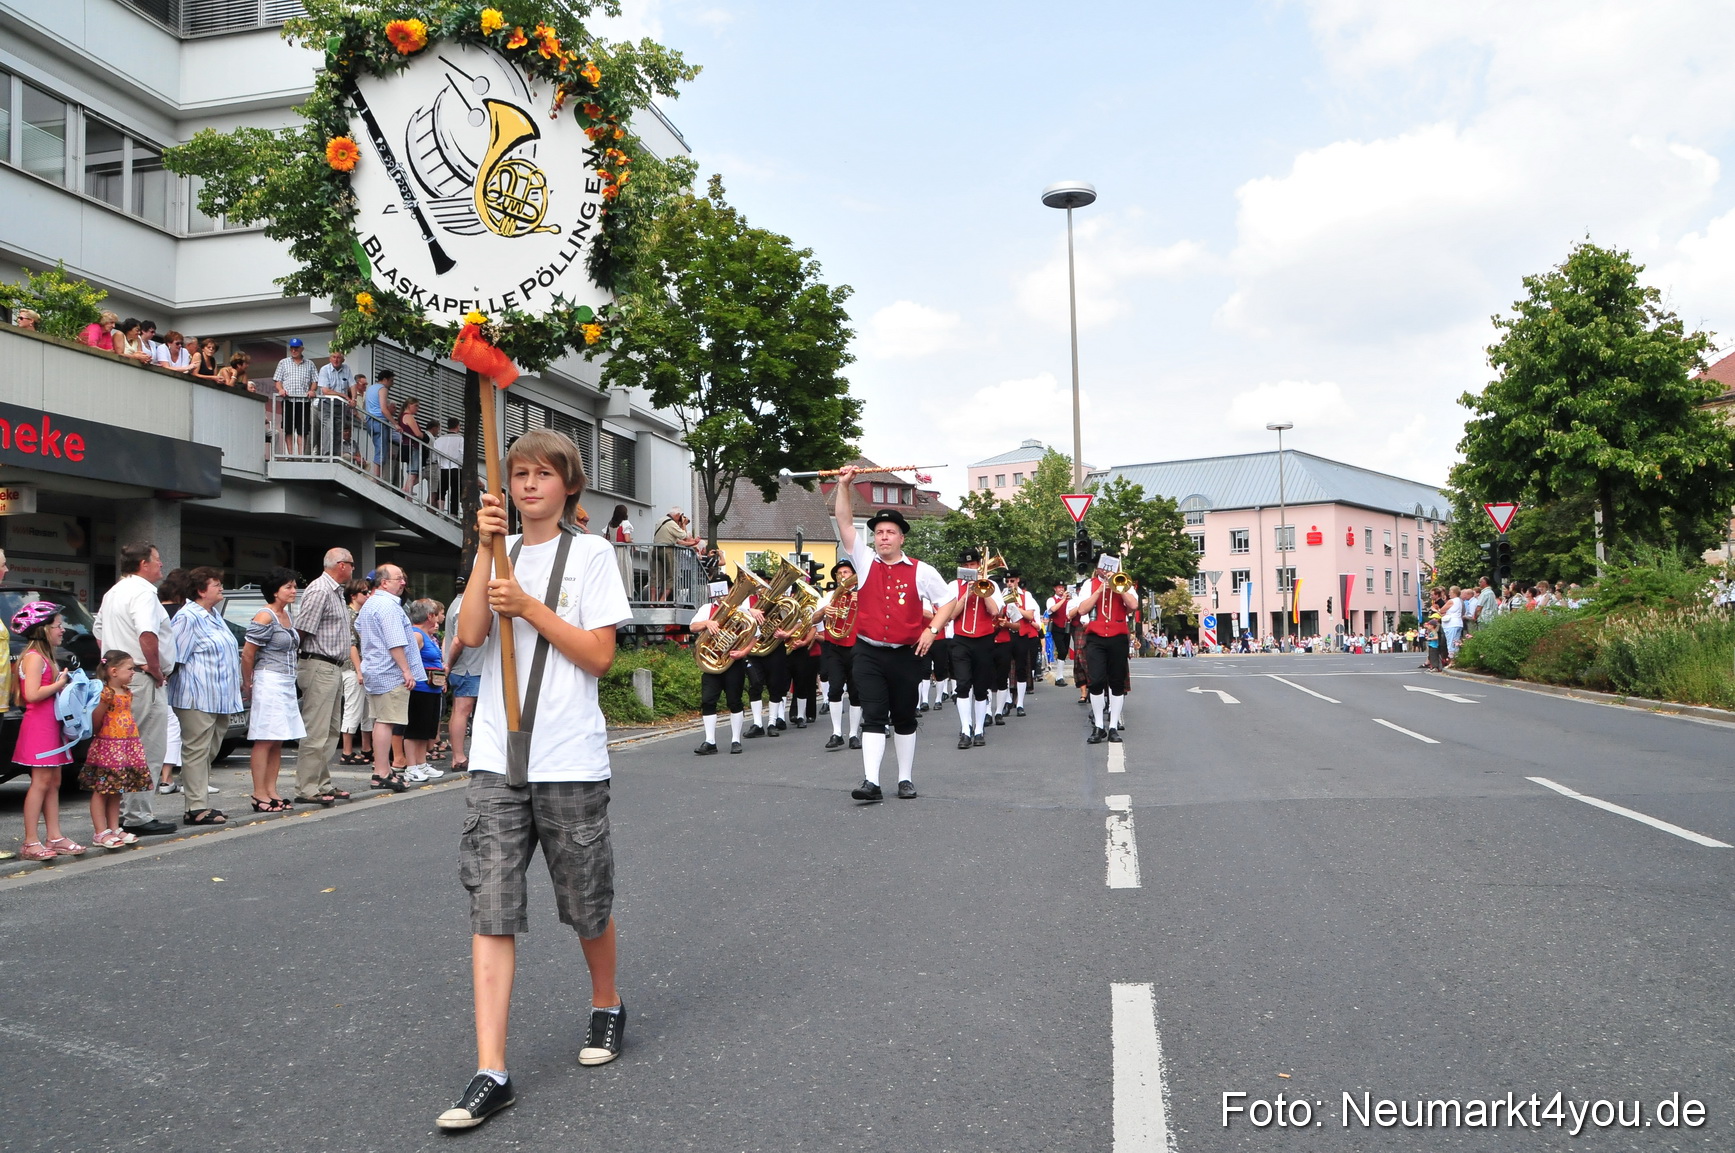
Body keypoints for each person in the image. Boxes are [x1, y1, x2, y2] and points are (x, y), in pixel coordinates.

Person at [441, 427, 634, 1129]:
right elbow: (466, 632)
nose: (528, 485)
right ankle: (491, 1068)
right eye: (518, 473)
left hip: (568, 757)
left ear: (568, 485)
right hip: (497, 757)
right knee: (491, 908)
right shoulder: (501, 551)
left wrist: (529, 607)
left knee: (586, 899)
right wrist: (485, 554)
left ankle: (607, 1002)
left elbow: (599, 656)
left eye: (542, 474)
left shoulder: (592, 556)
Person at [831, 466, 957, 801]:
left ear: (901, 537)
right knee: (872, 714)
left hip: (906, 654)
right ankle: (871, 781)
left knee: (903, 715)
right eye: (879, 532)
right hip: (868, 651)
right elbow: (844, 521)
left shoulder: (921, 570)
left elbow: (948, 601)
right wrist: (844, 485)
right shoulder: (864, 560)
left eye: (890, 532)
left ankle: (904, 778)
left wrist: (932, 630)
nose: (883, 536)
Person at [97, 542, 178, 838]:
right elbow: (147, 633)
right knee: (148, 748)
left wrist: (114, 666)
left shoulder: (113, 592)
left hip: (120, 677)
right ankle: (138, 814)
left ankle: (120, 810)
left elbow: (98, 632)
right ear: (143, 563)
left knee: (123, 746)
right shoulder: (144, 592)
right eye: (157, 560)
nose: (161, 565)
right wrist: (154, 669)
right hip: (143, 677)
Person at [167, 567, 243, 825]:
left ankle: (198, 800)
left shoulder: (213, 615)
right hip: (196, 696)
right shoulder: (187, 617)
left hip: (220, 697)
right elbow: (175, 657)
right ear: (201, 590)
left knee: (210, 750)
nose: (221, 587)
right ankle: (195, 808)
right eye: (216, 584)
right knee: (196, 751)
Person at [13, 604, 81, 860]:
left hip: (50, 726)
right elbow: (32, 694)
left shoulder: (46, 657)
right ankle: (30, 841)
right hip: (39, 727)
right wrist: (59, 684)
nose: (62, 630)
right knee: (40, 783)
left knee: (54, 782)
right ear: (43, 630)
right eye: (58, 626)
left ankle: (55, 836)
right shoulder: (33, 658)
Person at [291, 547, 357, 805]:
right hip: (319, 664)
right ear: (341, 565)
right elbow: (303, 630)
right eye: (351, 564)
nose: (353, 568)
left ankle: (322, 782)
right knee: (315, 731)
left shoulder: (336, 592)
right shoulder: (320, 589)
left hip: (333, 666)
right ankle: (306, 788)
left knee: (330, 731)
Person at [241, 567, 305, 813]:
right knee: (265, 737)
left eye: (293, 586)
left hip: (287, 681)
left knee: (278, 739)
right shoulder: (265, 616)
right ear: (274, 591)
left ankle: (272, 789)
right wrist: (248, 682)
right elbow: (248, 653)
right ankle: (259, 793)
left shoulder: (288, 616)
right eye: (287, 587)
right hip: (269, 679)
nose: (293, 591)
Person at [356, 564, 423, 794]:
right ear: (384, 583)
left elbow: (359, 628)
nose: (403, 582)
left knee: (380, 720)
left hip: (375, 669)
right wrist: (406, 670)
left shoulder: (370, 604)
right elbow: (395, 641)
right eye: (398, 578)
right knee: (386, 721)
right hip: (389, 671)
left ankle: (381, 769)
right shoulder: (388, 606)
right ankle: (382, 772)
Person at [81, 651, 152, 850]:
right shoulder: (106, 693)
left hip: (125, 744)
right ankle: (100, 831)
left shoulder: (126, 691)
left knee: (117, 788)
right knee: (102, 789)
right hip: (109, 745)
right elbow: (97, 718)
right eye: (129, 669)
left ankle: (114, 827)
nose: (133, 672)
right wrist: (100, 736)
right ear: (113, 671)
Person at [1070, 556, 1138, 744]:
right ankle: (1099, 726)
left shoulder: (1124, 582)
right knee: (1097, 680)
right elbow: (1082, 610)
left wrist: (1120, 588)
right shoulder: (1088, 585)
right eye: (1102, 567)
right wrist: (1100, 590)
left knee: (1117, 682)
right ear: (1098, 568)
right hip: (1096, 638)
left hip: (1117, 637)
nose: (1106, 570)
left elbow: (1133, 606)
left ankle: (1114, 727)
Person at [946, 547, 1003, 750]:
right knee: (962, 685)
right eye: (966, 565)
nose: (970, 568)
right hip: (961, 639)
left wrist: (982, 590)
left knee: (981, 687)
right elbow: (951, 615)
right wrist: (966, 594)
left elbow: (995, 611)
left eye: (973, 565)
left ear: (979, 566)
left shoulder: (991, 584)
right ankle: (965, 729)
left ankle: (979, 729)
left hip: (984, 640)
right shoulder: (953, 586)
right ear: (962, 567)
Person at [690, 580, 754, 754]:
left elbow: (754, 634)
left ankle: (735, 740)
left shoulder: (741, 610)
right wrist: (707, 623)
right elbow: (693, 626)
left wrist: (743, 652)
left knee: (734, 701)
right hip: (711, 662)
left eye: (726, 590)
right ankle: (710, 741)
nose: (721, 595)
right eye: (718, 591)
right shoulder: (706, 608)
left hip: (733, 661)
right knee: (708, 701)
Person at [817, 559, 862, 750]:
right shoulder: (829, 597)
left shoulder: (863, 594)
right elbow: (813, 620)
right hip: (834, 646)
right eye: (840, 573)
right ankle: (836, 732)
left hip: (856, 646)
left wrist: (862, 601)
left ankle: (853, 734)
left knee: (855, 693)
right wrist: (823, 611)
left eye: (846, 572)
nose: (843, 576)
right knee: (835, 689)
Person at [443, 582, 486, 772]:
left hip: (468, 666)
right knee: (463, 709)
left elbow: (449, 638)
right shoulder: (465, 607)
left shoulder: (458, 603)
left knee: (460, 710)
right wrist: (448, 665)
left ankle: (461, 755)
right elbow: (458, 639)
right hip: (468, 667)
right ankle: (459, 757)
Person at [403, 598, 446, 782]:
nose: (437, 619)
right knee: (415, 729)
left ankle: (421, 763)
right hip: (420, 688)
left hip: (432, 688)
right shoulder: (417, 635)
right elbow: (408, 658)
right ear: (429, 616)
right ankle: (411, 766)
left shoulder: (426, 635)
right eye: (435, 615)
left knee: (425, 729)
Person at [340, 579, 374, 765]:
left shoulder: (360, 614)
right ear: (353, 596)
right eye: (364, 593)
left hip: (361, 668)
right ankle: (346, 751)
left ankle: (366, 748)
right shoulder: (350, 615)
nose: (368, 595)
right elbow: (351, 645)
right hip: (353, 669)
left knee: (367, 710)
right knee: (353, 708)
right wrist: (359, 670)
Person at [1002, 571, 1041, 716]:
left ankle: (1020, 703)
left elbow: (1030, 615)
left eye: (1012, 580)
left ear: (1017, 580)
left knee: (1021, 669)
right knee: (1004, 669)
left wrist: (1015, 606)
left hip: (1021, 635)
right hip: (1006, 633)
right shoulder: (1002, 594)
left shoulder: (1026, 595)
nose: (1010, 583)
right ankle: (1006, 700)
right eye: (1008, 581)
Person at [364, 369, 396, 477]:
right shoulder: (383, 389)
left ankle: (377, 477)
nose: (392, 384)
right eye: (391, 381)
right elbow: (383, 409)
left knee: (379, 448)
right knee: (381, 450)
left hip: (370, 421)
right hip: (379, 421)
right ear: (385, 380)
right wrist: (395, 423)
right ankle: (376, 478)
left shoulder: (370, 388)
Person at [433, 417, 465, 516]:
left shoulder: (439, 440)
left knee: (441, 490)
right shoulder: (460, 439)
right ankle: (453, 514)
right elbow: (463, 454)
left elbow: (434, 456)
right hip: (455, 468)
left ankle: (441, 511)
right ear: (457, 426)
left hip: (442, 468)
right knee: (455, 492)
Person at [399, 396, 429, 495]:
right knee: (413, 473)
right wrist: (425, 437)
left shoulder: (402, 416)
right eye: (416, 406)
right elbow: (417, 434)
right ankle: (408, 493)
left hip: (408, 446)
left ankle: (406, 489)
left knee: (413, 472)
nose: (417, 409)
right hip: (413, 447)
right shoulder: (408, 416)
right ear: (409, 405)